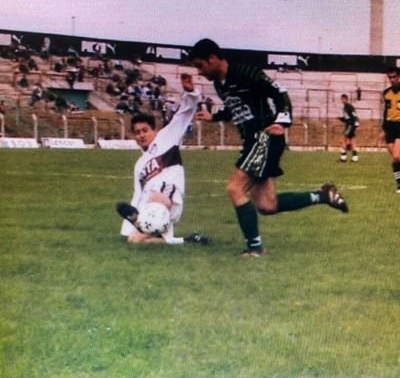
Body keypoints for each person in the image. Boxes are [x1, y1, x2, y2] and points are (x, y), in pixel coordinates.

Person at [188, 38, 348, 257]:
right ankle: (323, 196)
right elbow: (235, 107)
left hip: (263, 137)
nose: (199, 71)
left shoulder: (245, 72)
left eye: (200, 65)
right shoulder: (219, 83)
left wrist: (281, 121)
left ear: (213, 58)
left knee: (235, 188)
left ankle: (255, 249)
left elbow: (279, 92)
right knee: (267, 205)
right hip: (253, 141)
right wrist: (214, 116)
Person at [117, 73, 209, 245]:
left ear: (154, 130)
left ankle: (151, 225)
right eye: (137, 132)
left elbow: (183, 115)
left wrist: (191, 93)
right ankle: (188, 241)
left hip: (168, 194)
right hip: (152, 205)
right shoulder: (140, 165)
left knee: (157, 196)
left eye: (145, 130)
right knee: (134, 241)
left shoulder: (166, 138)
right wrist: (127, 227)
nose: (141, 135)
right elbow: (138, 194)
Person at [381, 67, 400, 193]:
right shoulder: (386, 93)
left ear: (399, 77)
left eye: (394, 77)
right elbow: (386, 111)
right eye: (390, 77)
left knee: (397, 156)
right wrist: (383, 129)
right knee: (395, 159)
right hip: (389, 127)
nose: (392, 79)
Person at [338, 94, 359, 162]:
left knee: (344, 139)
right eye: (342, 99)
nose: (342, 100)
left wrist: (356, 123)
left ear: (346, 99)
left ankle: (343, 157)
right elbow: (347, 118)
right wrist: (341, 119)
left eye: (344, 99)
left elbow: (354, 115)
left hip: (351, 125)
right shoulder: (344, 107)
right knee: (352, 141)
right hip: (348, 125)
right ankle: (355, 158)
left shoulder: (349, 106)